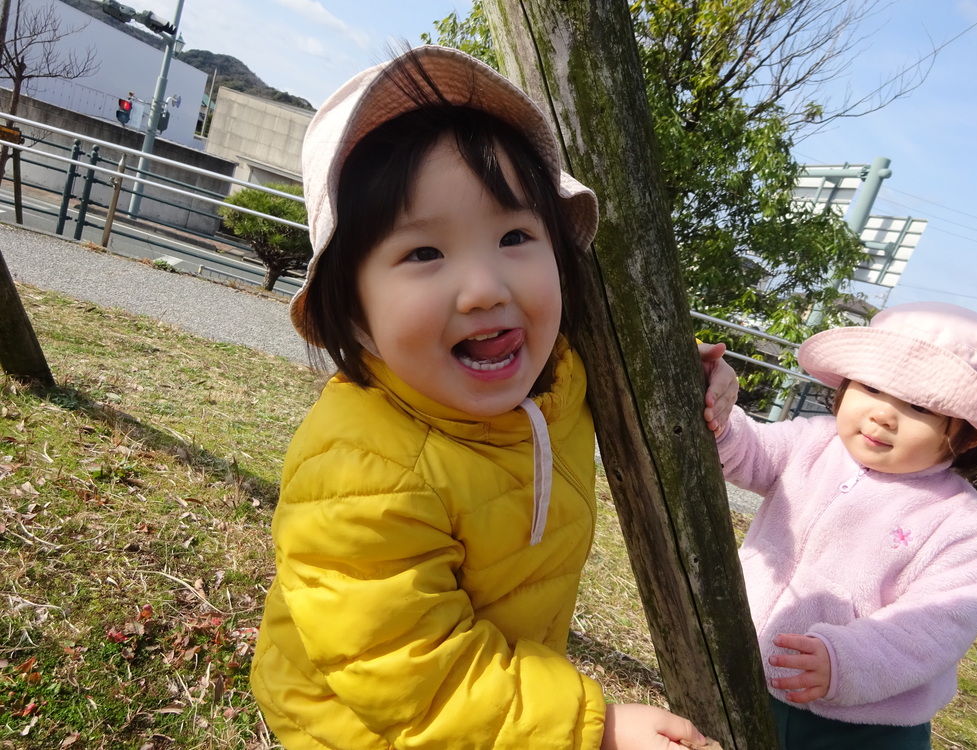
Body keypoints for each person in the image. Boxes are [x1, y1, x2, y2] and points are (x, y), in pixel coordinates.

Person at [249, 45, 735, 750]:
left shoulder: (555, 380)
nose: (484, 289)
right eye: (424, 253)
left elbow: (610, 386)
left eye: (514, 236)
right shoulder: (359, 471)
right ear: (352, 314)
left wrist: (678, 374)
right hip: (362, 729)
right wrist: (591, 730)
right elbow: (416, 673)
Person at [708, 301, 977, 750]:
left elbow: (934, 627)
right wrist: (719, 422)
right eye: (872, 387)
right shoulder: (813, 442)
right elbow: (749, 451)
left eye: (919, 404)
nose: (883, 414)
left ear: (973, 432)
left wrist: (845, 660)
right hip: (747, 672)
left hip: (862, 724)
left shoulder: (963, 526)